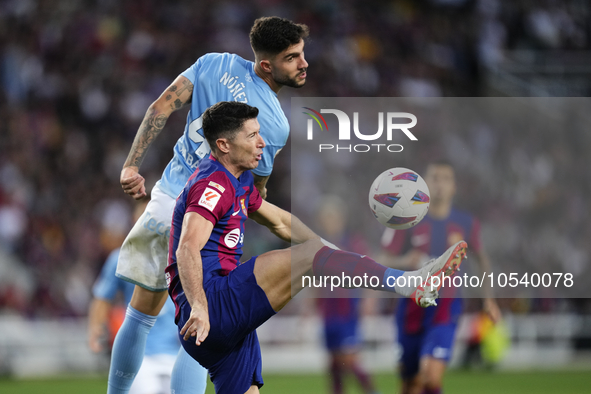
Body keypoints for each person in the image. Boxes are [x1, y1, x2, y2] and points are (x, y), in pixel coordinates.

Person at [165, 101, 468, 394]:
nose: (262, 142)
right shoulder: (213, 184)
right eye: (252, 135)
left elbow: (281, 223)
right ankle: (406, 282)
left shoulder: (239, 180)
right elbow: (186, 248)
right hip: (212, 304)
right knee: (310, 257)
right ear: (224, 145)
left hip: (215, 331)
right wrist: (201, 309)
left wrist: (326, 251)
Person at [109, 17, 309, 393]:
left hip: (166, 202)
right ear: (268, 65)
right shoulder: (275, 124)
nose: (303, 64)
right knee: (205, 318)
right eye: (293, 57)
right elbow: (252, 191)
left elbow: (159, 108)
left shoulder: (212, 62)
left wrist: (131, 165)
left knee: (139, 316)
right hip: (209, 216)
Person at [378, 160, 502, 394]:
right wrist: (405, 261)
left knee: (430, 376)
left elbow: (481, 259)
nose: (440, 185)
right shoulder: (406, 218)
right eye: (434, 178)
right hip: (410, 308)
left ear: (454, 186)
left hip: (445, 307)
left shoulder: (465, 223)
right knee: (410, 383)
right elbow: (382, 259)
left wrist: (489, 299)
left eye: (446, 179)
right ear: (424, 184)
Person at [89, 199, 207, 394]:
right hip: (140, 355)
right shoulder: (121, 257)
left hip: (176, 351)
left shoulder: (184, 258)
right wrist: (95, 328)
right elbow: (102, 297)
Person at [314, 196, 379, 394]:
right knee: (334, 363)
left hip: (347, 308)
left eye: (332, 217)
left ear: (340, 219)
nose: (329, 221)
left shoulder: (352, 243)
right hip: (328, 310)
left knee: (348, 360)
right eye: (325, 218)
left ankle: (372, 391)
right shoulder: (319, 246)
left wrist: (369, 299)